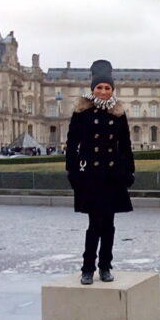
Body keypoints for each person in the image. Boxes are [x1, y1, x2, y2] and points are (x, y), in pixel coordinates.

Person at [65, 59, 135, 285]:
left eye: (107, 88)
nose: (103, 91)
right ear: (92, 89)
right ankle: (87, 268)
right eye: (99, 87)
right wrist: (72, 171)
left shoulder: (118, 113)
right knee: (95, 224)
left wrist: (129, 171)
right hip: (91, 176)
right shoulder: (82, 112)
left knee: (110, 225)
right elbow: (72, 143)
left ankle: (105, 266)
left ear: (112, 90)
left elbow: (125, 145)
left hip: (113, 177)